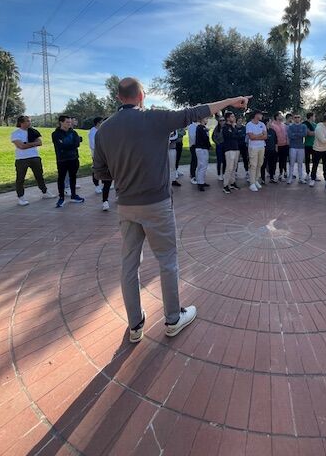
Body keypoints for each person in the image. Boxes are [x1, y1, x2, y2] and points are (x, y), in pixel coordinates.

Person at [93, 77, 250, 342]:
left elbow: (100, 172)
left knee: (129, 264)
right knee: (167, 261)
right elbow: (196, 112)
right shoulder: (155, 118)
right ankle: (173, 318)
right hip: (157, 204)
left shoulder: (105, 129)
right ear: (141, 96)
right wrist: (232, 101)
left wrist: (123, 175)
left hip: (126, 205)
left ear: (119, 97)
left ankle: (135, 325)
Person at [11, 115, 55, 206]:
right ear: (21, 123)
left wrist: (27, 143)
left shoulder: (33, 131)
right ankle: (21, 197)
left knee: (39, 176)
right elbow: (21, 146)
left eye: (30, 121)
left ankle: (45, 192)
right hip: (21, 159)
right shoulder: (16, 133)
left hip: (35, 157)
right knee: (20, 179)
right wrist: (33, 144)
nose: (29, 123)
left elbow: (40, 142)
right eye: (27, 121)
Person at [52, 115, 85, 208]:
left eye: (70, 122)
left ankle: (73, 195)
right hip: (62, 159)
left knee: (73, 177)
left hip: (74, 158)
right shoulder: (55, 134)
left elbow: (77, 144)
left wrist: (66, 144)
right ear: (61, 122)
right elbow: (60, 146)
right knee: (61, 178)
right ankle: (61, 198)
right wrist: (71, 144)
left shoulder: (73, 132)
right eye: (67, 122)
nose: (69, 124)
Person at [89, 116, 112, 210]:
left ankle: (119, 196)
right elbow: (94, 146)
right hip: (104, 160)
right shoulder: (98, 133)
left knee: (117, 179)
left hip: (114, 160)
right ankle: (105, 201)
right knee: (107, 181)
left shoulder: (113, 133)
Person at [310, 113, 326, 187]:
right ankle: (312, 179)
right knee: (315, 165)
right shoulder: (318, 128)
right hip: (317, 150)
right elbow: (322, 140)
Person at [246, 110, 267, 191]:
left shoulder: (262, 124)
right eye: (261, 114)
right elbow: (251, 137)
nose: (262, 116)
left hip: (262, 147)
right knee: (253, 165)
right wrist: (260, 135)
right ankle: (252, 183)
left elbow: (265, 136)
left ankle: (256, 180)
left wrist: (256, 136)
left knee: (260, 164)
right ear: (256, 115)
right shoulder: (249, 124)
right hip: (253, 147)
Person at [222, 111, 241, 194]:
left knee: (234, 167)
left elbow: (238, 136)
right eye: (232, 116)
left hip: (236, 148)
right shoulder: (225, 127)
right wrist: (234, 130)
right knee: (229, 168)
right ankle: (225, 185)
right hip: (229, 150)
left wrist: (234, 129)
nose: (234, 118)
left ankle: (232, 183)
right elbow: (230, 136)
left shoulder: (234, 127)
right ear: (228, 118)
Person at [287, 113, 307, 184]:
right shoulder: (290, 126)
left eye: (298, 117)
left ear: (300, 118)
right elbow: (290, 135)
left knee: (300, 163)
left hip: (301, 147)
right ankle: (290, 178)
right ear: (293, 118)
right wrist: (299, 134)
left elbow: (304, 134)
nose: (297, 118)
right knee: (291, 163)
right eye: (295, 117)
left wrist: (295, 134)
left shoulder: (303, 126)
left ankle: (301, 178)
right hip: (292, 147)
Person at [271, 111, 289, 181]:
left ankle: (281, 174)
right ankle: (273, 175)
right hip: (276, 146)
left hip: (284, 145)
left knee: (283, 160)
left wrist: (287, 142)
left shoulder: (283, 125)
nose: (281, 116)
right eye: (280, 115)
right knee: (274, 161)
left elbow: (286, 134)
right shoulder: (272, 125)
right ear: (276, 117)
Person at [195, 117, 211, 192]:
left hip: (202, 148)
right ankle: (200, 183)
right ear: (202, 120)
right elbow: (205, 138)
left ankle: (201, 181)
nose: (207, 120)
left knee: (201, 165)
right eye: (206, 118)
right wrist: (209, 146)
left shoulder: (202, 128)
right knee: (203, 166)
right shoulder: (201, 128)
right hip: (202, 148)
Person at [261, 117, 278, 183]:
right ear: (267, 122)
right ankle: (263, 179)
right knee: (263, 165)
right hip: (264, 150)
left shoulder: (273, 131)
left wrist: (276, 150)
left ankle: (272, 178)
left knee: (272, 165)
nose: (271, 123)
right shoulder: (262, 131)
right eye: (270, 122)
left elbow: (276, 141)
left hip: (272, 150)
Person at [303, 112, 316, 180]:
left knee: (315, 160)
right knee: (307, 160)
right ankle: (307, 173)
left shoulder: (315, 124)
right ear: (311, 117)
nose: (315, 118)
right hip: (307, 144)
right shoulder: (305, 124)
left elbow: (312, 133)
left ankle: (313, 174)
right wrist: (316, 132)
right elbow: (309, 133)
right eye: (314, 116)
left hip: (314, 145)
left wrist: (313, 133)